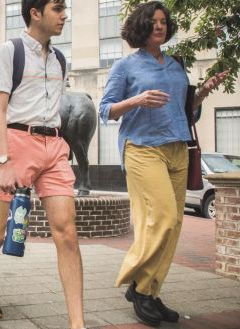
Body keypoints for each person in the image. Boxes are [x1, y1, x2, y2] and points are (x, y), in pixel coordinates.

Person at [99, 2, 229, 326]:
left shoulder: (175, 65)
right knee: (165, 218)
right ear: (141, 26)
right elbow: (105, 110)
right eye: (153, 22)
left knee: (174, 227)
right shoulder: (126, 67)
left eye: (163, 22)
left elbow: (186, 110)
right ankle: (138, 285)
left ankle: (151, 291)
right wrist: (137, 100)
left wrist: (203, 94)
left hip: (177, 148)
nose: (160, 26)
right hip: (143, 149)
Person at [0, 1, 85, 327]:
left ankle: (78, 323)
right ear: (35, 12)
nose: (64, 14)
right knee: (2, 227)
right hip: (18, 144)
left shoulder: (60, 59)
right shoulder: (10, 51)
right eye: (57, 8)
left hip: (55, 147)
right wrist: (3, 161)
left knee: (67, 234)